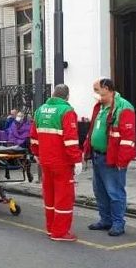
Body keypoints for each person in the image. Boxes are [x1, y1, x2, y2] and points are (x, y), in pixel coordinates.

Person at [82, 79, 136, 237]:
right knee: (100, 191)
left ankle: (118, 223)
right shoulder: (99, 107)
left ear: (107, 89)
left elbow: (128, 138)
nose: (95, 93)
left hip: (112, 159)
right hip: (98, 156)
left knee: (115, 192)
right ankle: (105, 220)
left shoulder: (124, 108)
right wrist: (87, 150)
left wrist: (122, 161)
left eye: (96, 89)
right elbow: (92, 130)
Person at [30, 84, 82, 242]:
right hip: (62, 162)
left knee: (50, 195)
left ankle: (51, 227)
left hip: (45, 161)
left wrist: (36, 153)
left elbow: (33, 136)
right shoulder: (67, 111)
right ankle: (60, 232)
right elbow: (71, 140)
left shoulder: (40, 111)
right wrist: (77, 160)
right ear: (67, 97)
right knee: (64, 197)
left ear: (53, 94)